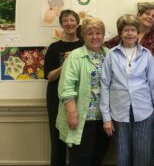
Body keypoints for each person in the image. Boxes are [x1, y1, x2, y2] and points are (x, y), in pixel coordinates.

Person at [100, 14, 154, 166]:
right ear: (121, 33)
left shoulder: (146, 55)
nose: (130, 33)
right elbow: (105, 85)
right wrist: (106, 117)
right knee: (122, 157)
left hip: (144, 111)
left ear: (138, 32)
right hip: (119, 113)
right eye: (126, 30)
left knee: (143, 156)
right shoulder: (111, 55)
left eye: (133, 30)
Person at [56, 17, 110, 166]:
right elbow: (66, 88)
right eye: (90, 34)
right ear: (84, 36)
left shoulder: (108, 53)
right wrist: (72, 114)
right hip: (82, 117)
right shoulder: (75, 56)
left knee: (98, 157)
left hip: (104, 118)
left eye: (98, 33)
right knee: (81, 159)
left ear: (103, 35)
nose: (95, 37)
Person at [44, 9, 83, 166]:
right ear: (61, 24)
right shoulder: (54, 48)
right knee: (57, 141)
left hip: (79, 98)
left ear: (77, 23)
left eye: (72, 20)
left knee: (79, 142)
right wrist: (65, 64)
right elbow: (49, 76)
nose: (69, 23)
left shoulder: (84, 45)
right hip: (56, 99)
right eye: (65, 20)